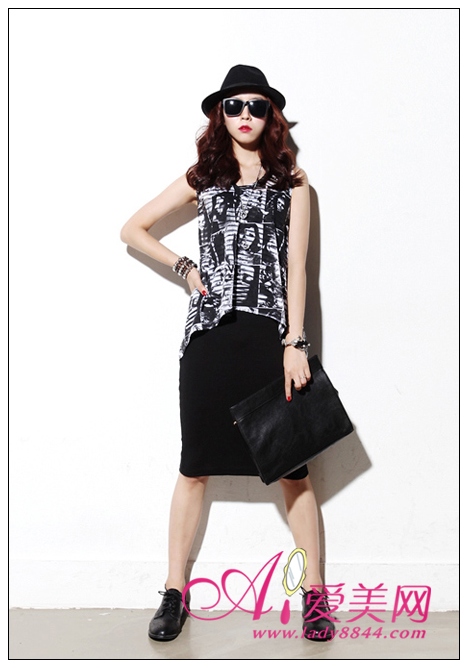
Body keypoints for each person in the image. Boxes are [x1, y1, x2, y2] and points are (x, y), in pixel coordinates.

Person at [120, 65, 335, 643]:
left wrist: (295, 343)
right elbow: (133, 228)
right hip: (209, 340)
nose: (244, 115)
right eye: (234, 105)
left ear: (270, 116)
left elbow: (298, 269)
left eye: (256, 106)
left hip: (269, 340)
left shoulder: (293, 182)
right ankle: (174, 592)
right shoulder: (204, 176)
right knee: (194, 466)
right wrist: (185, 267)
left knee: (293, 470)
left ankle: (315, 595)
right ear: (221, 113)